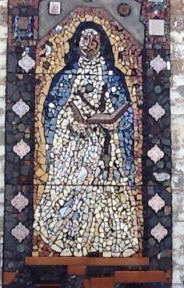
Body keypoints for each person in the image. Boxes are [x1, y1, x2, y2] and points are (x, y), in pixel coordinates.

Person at [34, 22, 140, 257]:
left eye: (94, 40)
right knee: (72, 190)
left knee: (103, 195)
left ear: (102, 45)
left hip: (104, 147)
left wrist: (110, 124)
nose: (89, 45)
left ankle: (100, 241)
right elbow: (51, 112)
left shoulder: (113, 76)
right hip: (72, 147)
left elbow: (124, 113)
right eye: (85, 39)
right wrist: (69, 123)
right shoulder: (64, 77)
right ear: (76, 42)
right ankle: (69, 239)